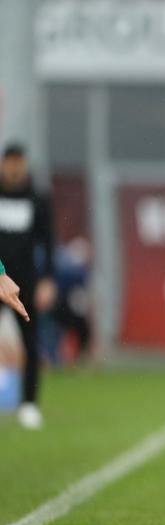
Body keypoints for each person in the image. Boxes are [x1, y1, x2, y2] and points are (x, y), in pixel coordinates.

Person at [0, 143, 57, 430]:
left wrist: (47, 278)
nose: (13, 167)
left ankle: (29, 404)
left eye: (18, 161)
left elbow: (47, 240)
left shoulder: (37, 197)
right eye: (9, 161)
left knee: (30, 342)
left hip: (24, 283)